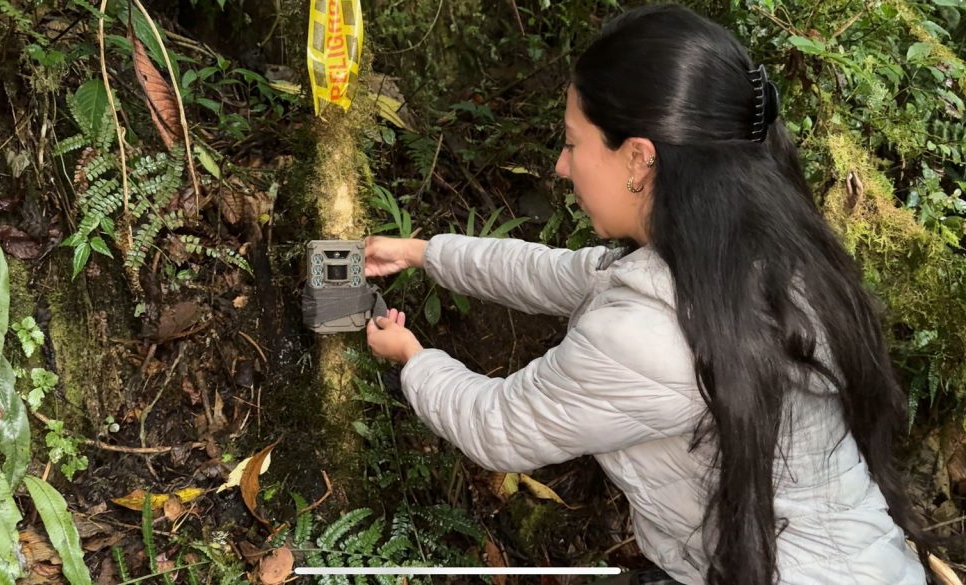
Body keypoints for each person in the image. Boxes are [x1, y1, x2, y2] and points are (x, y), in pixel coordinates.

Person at [363, 5, 932, 584]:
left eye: (572, 143)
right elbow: (555, 273)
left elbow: (498, 426)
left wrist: (412, 357)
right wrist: (421, 252)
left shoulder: (643, 334)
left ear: (637, 158)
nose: (562, 167)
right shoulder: (758, 254)